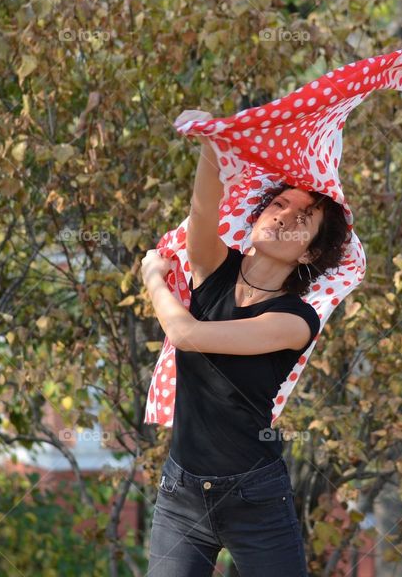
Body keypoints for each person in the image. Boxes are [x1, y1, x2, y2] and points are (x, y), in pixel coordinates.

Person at [139, 110, 350, 576]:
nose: (284, 216)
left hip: (255, 498)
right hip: (182, 494)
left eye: (303, 218)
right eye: (279, 205)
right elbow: (203, 208)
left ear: (310, 251)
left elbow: (186, 335)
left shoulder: (295, 320)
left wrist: (154, 279)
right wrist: (210, 139)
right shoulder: (214, 269)